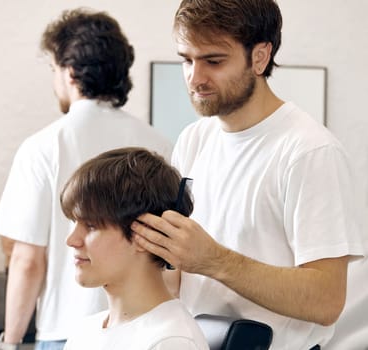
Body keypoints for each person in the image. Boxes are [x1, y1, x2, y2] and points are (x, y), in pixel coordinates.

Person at [130, 0, 367, 349]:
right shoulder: (194, 139)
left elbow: (326, 301)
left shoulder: (310, 152)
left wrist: (213, 259)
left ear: (260, 56)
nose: (195, 78)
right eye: (186, 59)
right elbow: (175, 279)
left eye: (213, 60)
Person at [0, 8, 172, 350]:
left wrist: (10, 343)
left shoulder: (43, 146)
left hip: (66, 331)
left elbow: (27, 260)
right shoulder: (159, 145)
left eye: (53, 69)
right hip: (145, 329)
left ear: (70, 71)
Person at [61, 147, 209, 350]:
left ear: (146, 232)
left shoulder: (170, 341)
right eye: (74, 223)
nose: (71, 240)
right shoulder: (85, 332)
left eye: (91, 226)